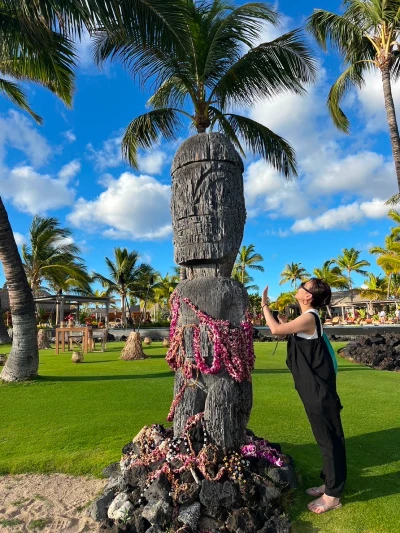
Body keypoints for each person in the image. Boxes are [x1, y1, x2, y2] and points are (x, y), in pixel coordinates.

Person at [261, 278, 346, 514]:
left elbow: (275, 330)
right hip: (313, 390)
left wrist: (264, 305)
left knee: (329, 440)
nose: (298, 288)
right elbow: (287, 332)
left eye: (302, 285)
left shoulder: (310, 317)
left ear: (308, 296)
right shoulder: (306, 318)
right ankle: (328, 483)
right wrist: (283, 322)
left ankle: (333, 495)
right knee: (324, 438)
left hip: (319, 391)